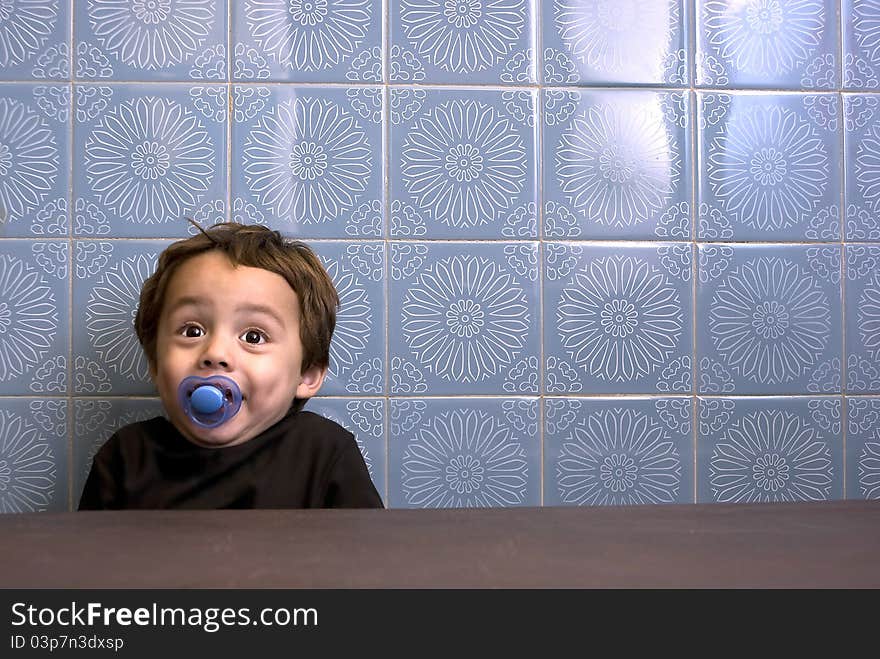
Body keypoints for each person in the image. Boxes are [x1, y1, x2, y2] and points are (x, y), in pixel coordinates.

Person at [78, 222, 383, 509]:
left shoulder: (323, 453)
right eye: (192, 331)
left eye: (253, 336)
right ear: (156, 365)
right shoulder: (126, 457)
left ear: (307, 374)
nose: (215, 353)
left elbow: (367, 559)